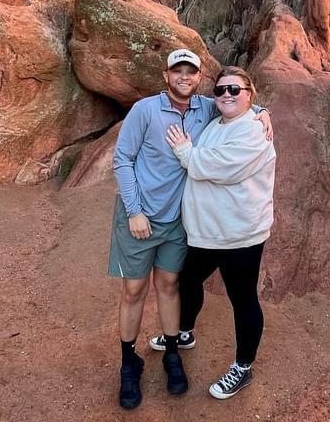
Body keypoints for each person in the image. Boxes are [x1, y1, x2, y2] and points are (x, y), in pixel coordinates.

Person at [110, 49, 272, 410]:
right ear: (166, 74)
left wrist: (262, 112)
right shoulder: (152, 110)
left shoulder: (216, 113)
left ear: (199, 77)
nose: (226, 95)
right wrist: (134, 210)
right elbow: (122, 159)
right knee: (145, 288)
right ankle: (134, 359)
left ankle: (189, 354)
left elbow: (224, 141)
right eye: (177, 70)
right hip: (156, 220)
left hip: (211, 230)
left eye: (192, 71)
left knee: (184, 287)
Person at [165, 65, 276, 400]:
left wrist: (186, 153)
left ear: (249, 94)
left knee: (242, 300)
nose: (226, 95)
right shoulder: (216, 124)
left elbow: (217, 167)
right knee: (186, 280)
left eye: (235, 90)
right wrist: (261, 108)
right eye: (220, 90)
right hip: (206, 234)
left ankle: (243, 367)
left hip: (240, 237)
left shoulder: (254, 132)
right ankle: (184, 332)